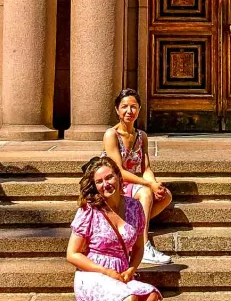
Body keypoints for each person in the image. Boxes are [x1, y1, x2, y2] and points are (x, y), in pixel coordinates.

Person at [68, 156, 163, 301]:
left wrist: (131, 270)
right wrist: (105, 271)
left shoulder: (135, 207)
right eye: (99, 181)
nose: (105, 184)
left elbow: (138, 247)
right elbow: (72, 254)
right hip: (93, 274)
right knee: (130, 298)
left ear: (119, 177)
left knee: (152, 295)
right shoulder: (89, 210)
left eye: (109, 177)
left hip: (121, 273)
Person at [102, 88, 173, 264]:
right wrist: (148, 186)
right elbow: (117, 170)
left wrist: (155, 183)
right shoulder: (111, 134)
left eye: (133, 107)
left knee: (166, 197)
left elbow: (146, 167)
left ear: (139, 109)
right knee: (146, 193)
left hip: (131, 184)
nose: (129, 111)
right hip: (113, 186)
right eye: (124, 106)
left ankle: (131, 228)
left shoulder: (141, 136)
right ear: (117, 110)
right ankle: (142, 244)